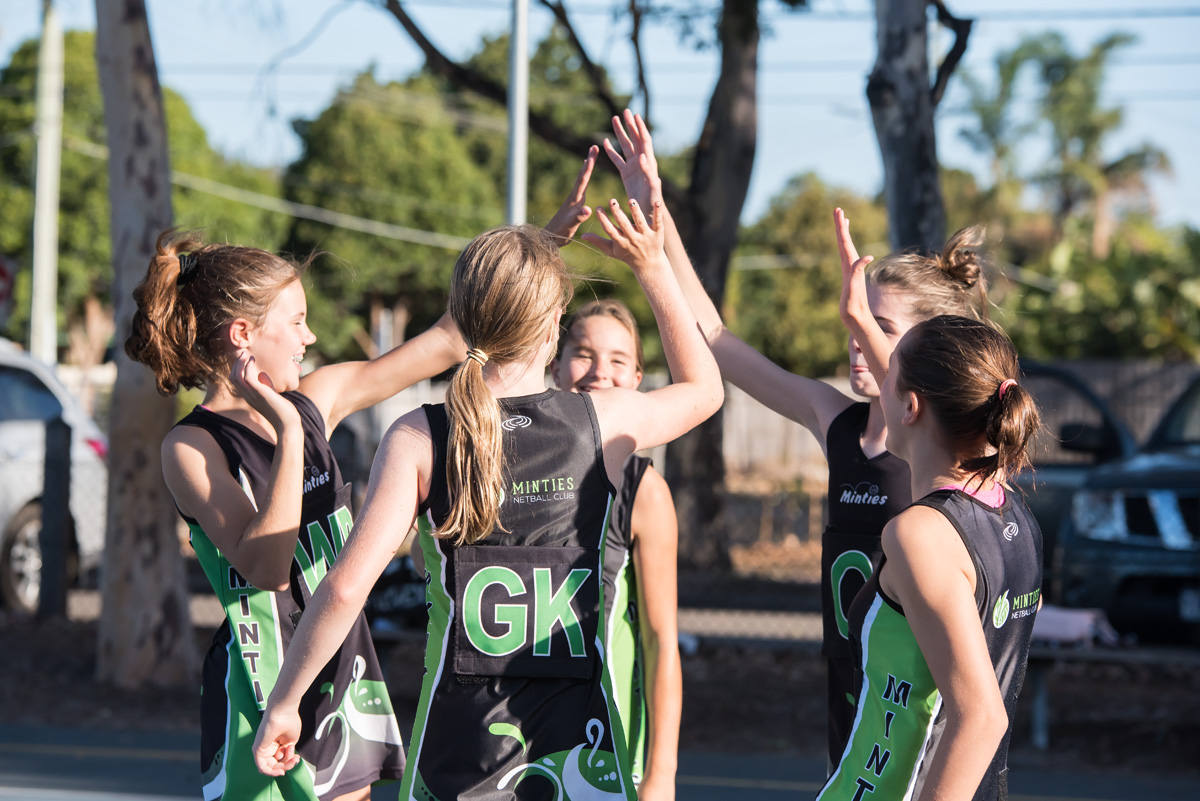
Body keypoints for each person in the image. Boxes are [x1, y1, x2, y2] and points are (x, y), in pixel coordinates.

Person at [252, 196, 722, 801]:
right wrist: (653, 266)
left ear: (464, 319)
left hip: (457, 751)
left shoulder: (420, 435)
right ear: (554, 326)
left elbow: (345, 588)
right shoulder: (599, 423)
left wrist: (287, 702)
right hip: (579, 754)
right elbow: (704, 389)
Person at [601, 110, 989, 767]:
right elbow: (716, 341)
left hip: (914, 709)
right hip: (848, 696)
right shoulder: (833, 418)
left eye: (877, 322)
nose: (855, 329)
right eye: (855, 312)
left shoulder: (944, 453)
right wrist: (657, 222)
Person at [125, 232, 469, 801]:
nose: (310, 337)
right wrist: (286, 431)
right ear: (244, 336)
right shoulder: (192, 447)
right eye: (297, 321)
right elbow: (267, 566)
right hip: (260, 688)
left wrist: (543, 244)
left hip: (338, 664)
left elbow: (450, 338)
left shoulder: (320, 398)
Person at [817, 213, 1044, 801]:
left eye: (892, 374)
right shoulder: (1012, 514)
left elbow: (980, 716)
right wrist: (862, 319)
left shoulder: (920, 533)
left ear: (911, 407)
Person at [550, 298, 681, 794]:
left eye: (618, 360)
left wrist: (661, 775)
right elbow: (428, 561)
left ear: (637, 380)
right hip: (513, 727)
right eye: (583, 353)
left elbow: (660, 640)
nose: (598, 372)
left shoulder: (643, 490)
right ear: (556, 364)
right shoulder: (510, 465)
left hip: (603, 734)